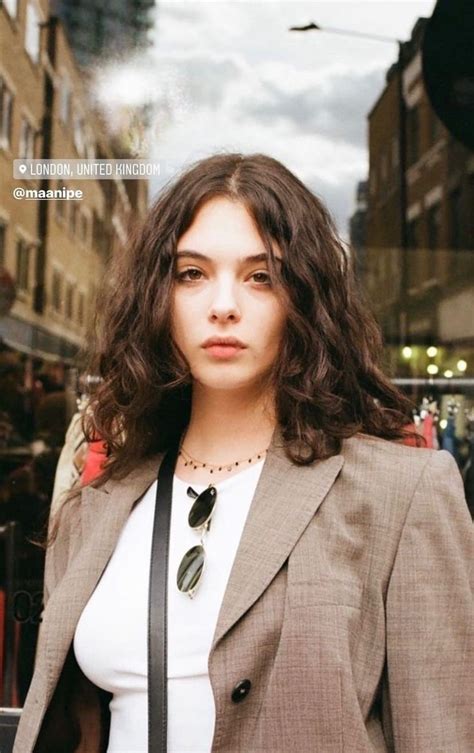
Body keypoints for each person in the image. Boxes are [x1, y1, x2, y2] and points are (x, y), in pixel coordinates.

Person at [14, 153, 473, 753]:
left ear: (303, 298)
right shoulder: (99, 501)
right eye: (192, 273)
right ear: (160, 294)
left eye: (262, 276)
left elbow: (441, 732)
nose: (223, 304)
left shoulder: (401, 493)